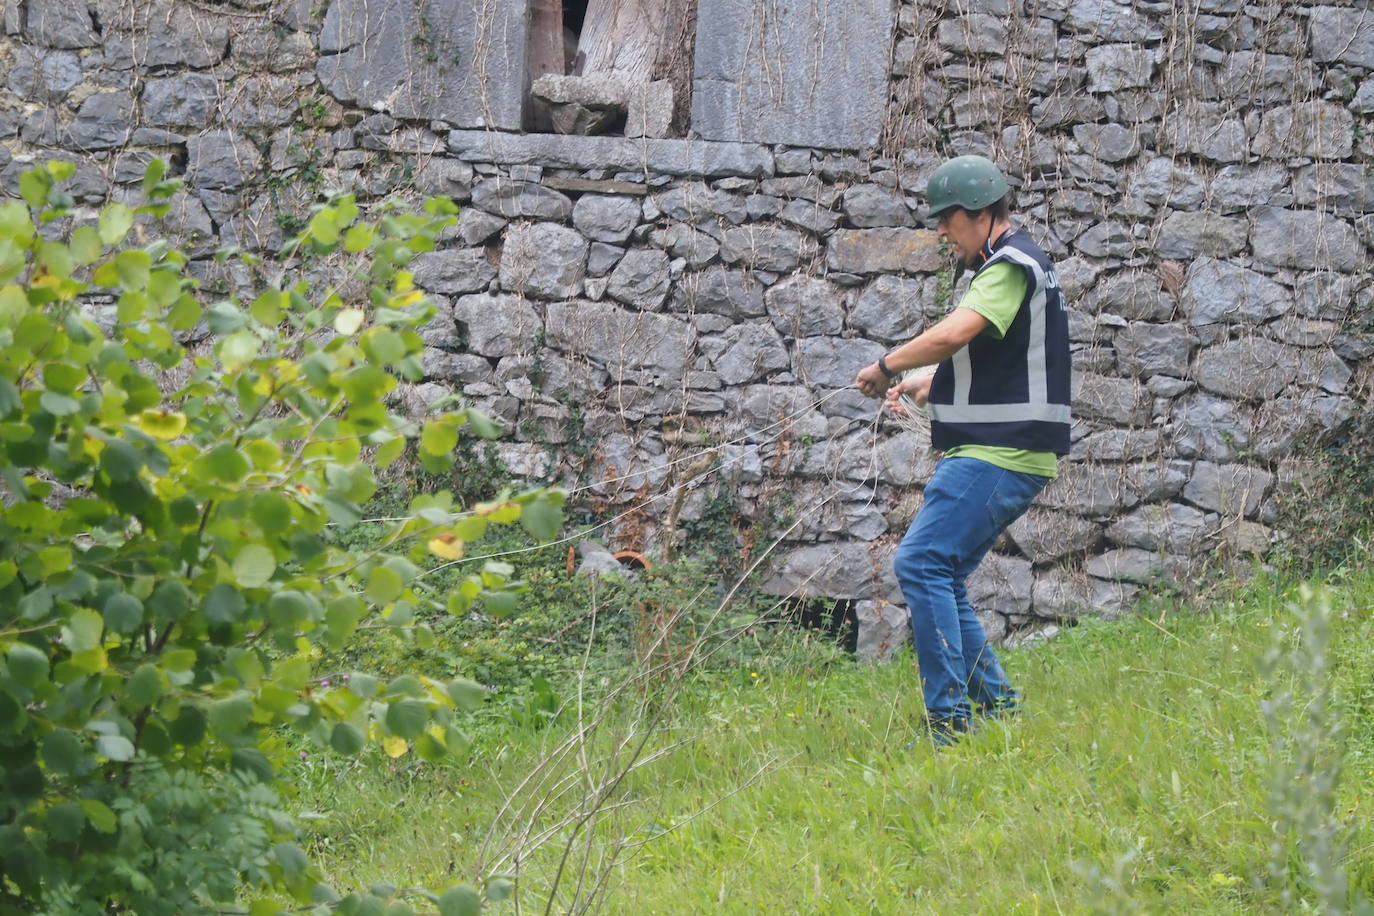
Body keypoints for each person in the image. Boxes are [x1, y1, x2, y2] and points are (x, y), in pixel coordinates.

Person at [855, 154, 1071, 746]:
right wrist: (933, 385)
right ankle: (998, 708)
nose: (943, 234)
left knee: (921, 562)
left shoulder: (1007, 266)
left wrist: (887, 364)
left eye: (947, 221)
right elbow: (999, 355)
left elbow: (956, 332)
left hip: (998, 452)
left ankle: (948, 721)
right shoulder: (1017, 264)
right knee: (942, 573)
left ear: (977, 214)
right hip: (1008, 451)